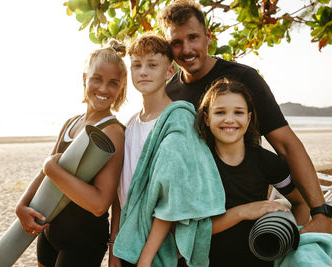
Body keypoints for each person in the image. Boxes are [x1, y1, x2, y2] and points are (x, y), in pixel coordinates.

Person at [157, 0, 331, 234]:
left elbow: (286, 145)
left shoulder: (244, 78)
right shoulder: (168, 94)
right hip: (198, 225)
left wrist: (320, 212)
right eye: (176, 42)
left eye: (193, 38)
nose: (186, 49)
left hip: (248, 222)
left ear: (208, 36)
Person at [109, 34, 225, 267]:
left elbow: (172, 200)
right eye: (137, 65)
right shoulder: (131, 124)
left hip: (156, 249)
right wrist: (114, 249)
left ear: (169, 72)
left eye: (152, 65)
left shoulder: (177, 120)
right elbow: (123, 194)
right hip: (129, 243)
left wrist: (145, 259)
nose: (143, 72)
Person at [15, 40, 127, 267]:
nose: (104, 89)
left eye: (113, 83)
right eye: (97, 79)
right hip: (48, 231)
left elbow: (99, 203)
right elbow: (43, 174)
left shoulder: (113, 131)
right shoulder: (71, 123)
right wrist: (22, 205)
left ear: (121, 87)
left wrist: (52, 167)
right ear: (85, 78)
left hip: (82, 242)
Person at [195, 78, 309, 267]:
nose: (229, 119)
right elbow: (195, 230)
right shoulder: (197, 163)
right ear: (207, 118)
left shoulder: (267, 161)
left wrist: (291, 240)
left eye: (238, 112)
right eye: (220, 112)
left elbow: (301, 202)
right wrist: (243, 211)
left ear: (248, 118)